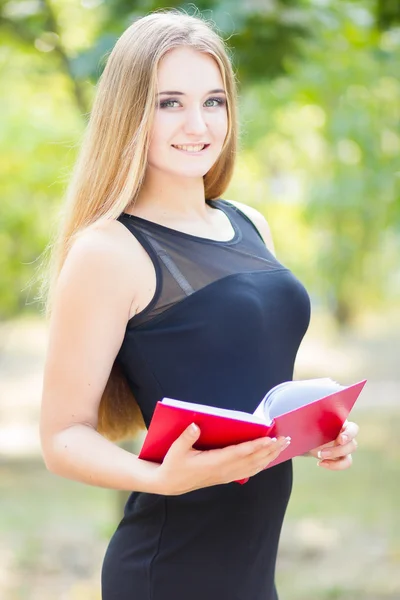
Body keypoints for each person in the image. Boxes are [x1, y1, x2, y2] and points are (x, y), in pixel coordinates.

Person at [39, 9, 359, 600]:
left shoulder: (249, 223)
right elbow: (62, 436)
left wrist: (316, 430)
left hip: (253, 568)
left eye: (214, 102)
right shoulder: (109, 249)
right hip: (168, 571)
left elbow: (246, 381)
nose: (197, 124)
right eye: (169, 103)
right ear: (130, 113)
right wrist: (163, 478)